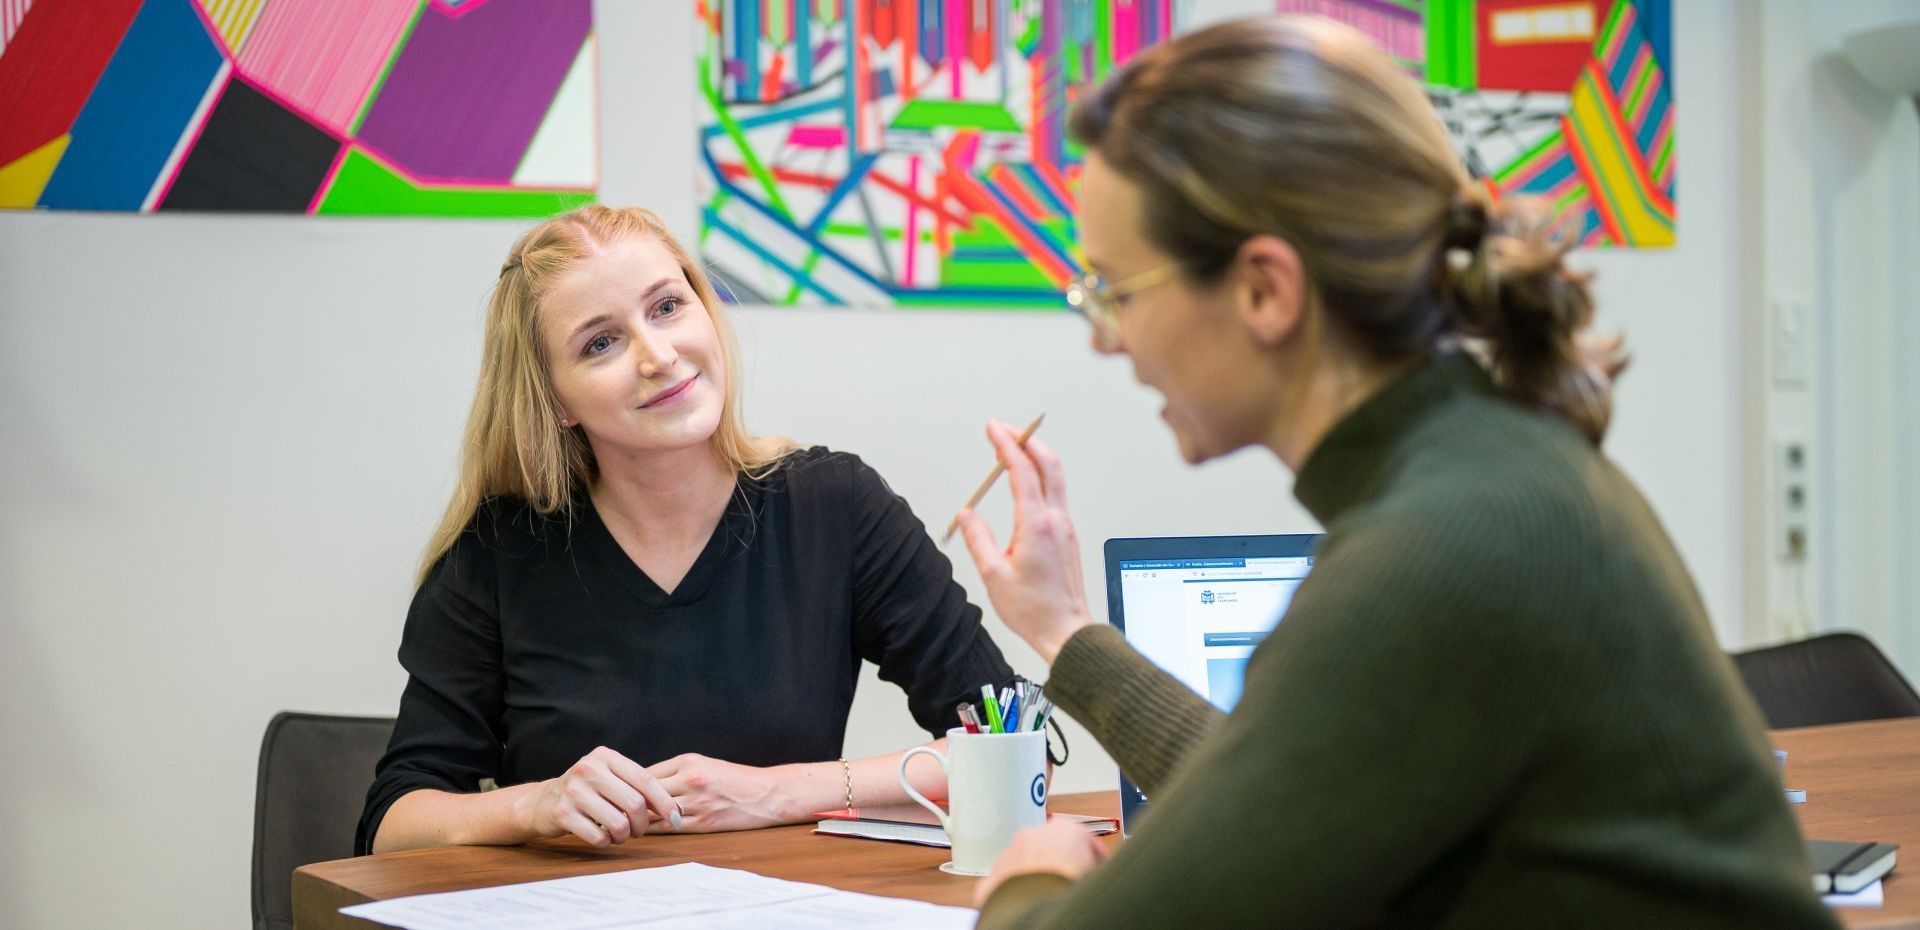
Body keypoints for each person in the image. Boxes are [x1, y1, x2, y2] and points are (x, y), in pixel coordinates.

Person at [952, 16, 1839, 929]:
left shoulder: (1440, 549)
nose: (1107, 340)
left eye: (1115, 292)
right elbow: (1291, 801)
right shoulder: (1492, 476)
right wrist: (1065, 632)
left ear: (1265, 289)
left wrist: (1035, 880)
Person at [357, 205, 1014, 854]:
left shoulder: (833, 506)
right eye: (600, 343)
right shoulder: (499, 551)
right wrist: (533, 803)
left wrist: (777, 793)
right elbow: (392, 823)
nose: (659, 355)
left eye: (667, 306)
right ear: (556, 401)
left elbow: (1011, 744)